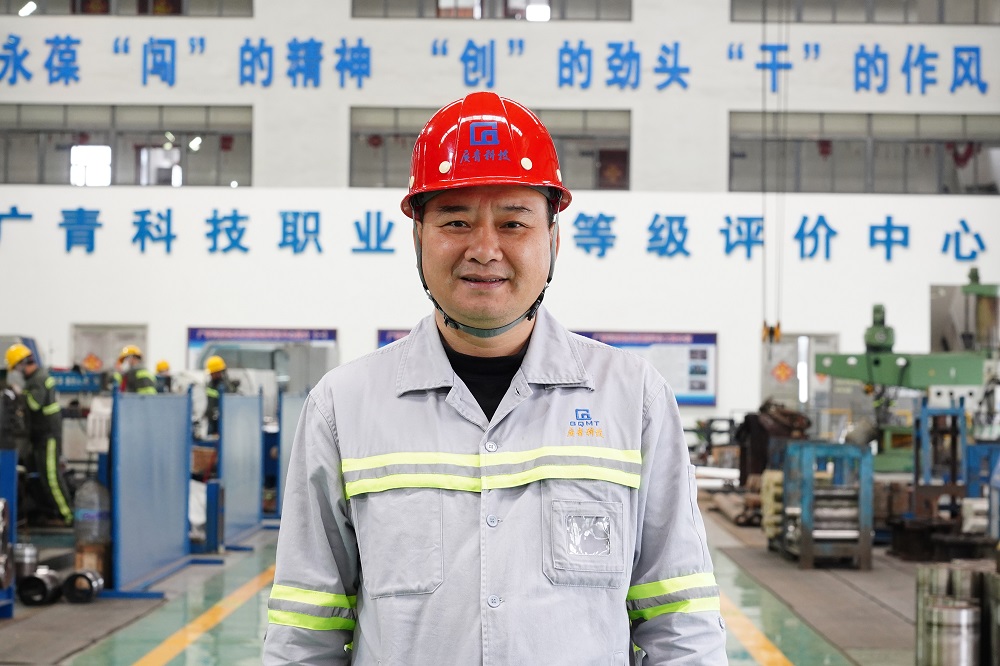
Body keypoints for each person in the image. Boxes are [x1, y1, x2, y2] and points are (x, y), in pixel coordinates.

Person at [263, 92, 727, 664]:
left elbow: (680, 618)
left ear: (553, 239)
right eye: (456, 221)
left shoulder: (633, 399)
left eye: (513, 223)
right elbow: (304, 631)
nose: (485, 250)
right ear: (418, 237)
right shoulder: (344, 407)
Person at [4, 343, 73, 526]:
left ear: (22, 363)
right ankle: (51, 513)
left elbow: (34, 404)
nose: (15, 372)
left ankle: (67, 516)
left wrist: (19, 392)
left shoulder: (39, 378)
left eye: (15, 368)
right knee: (39, 476)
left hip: (48, 436)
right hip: (39, 436)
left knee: (51, 477)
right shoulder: (33, 379)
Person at [203, 355, 236, 438]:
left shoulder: (225, 386)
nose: (211, 374)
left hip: (222, 422)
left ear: (217, 372)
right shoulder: (210, 384)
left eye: (212, 373)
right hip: (211, 421)